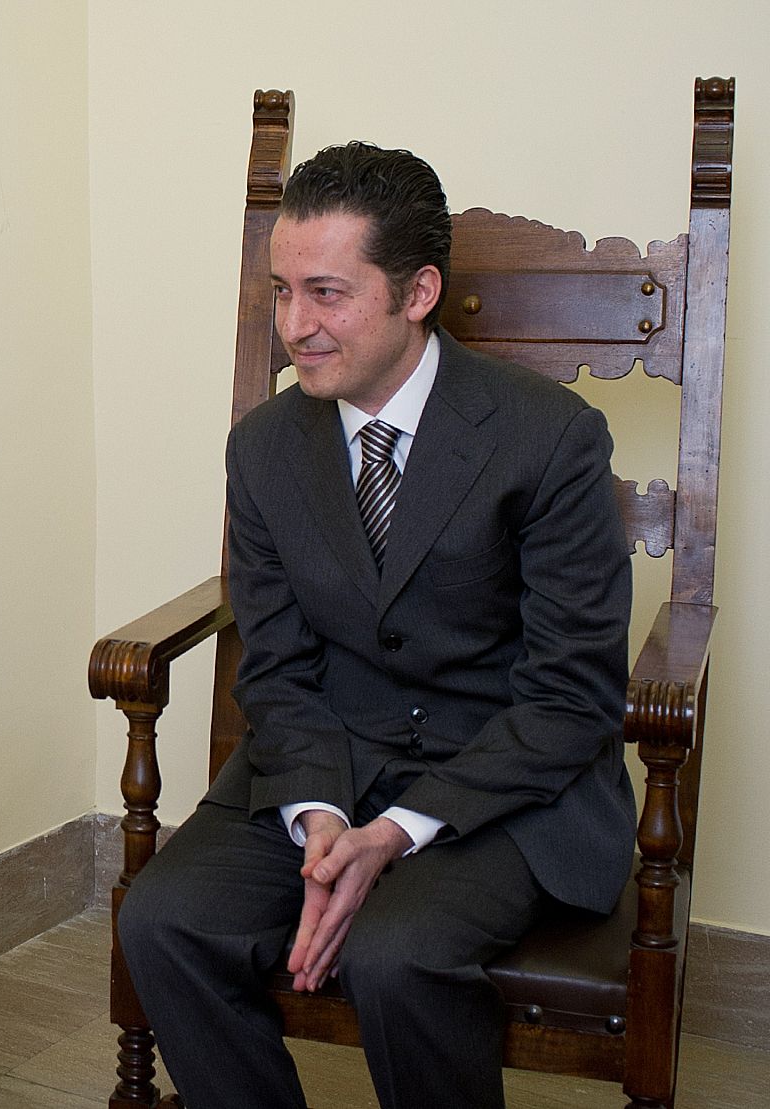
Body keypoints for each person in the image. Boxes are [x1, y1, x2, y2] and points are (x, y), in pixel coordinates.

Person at [117, 144, 635, 1108]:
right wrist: (320, 818)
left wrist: (393, 833)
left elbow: (571, 695)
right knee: (163, 919)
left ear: (418, 291)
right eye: (280, 293)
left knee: (398, 956)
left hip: (502, 785)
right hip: (327, 759)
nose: (295, 327)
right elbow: (273, 667)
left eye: (326, 293)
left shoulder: (548, 437)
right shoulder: (265, 446)